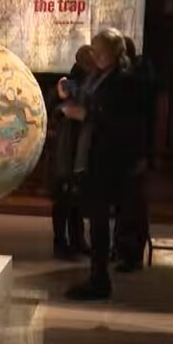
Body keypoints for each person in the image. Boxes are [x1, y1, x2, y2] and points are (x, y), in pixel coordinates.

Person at [58, 28, 140, 301]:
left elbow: (121, 120)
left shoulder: (123, 79)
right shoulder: (98, 75)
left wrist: (85, 114)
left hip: (108, 158)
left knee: (100, 220)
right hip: (92, 155)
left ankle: (99, 279)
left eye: (101, 50)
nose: (96, 55)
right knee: (96, 219)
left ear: (114, 52)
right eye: (94, 50)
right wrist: (69, 92)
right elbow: (88, 97)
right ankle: (96, 274)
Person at [48, 45, 95, 260]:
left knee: (76, 197)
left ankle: (77, 240)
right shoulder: (68, 84)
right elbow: (54, 110)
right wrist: (63, 108)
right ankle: (61, 241)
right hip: (65, 149)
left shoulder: (90, 83)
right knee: (63, 197)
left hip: (79, 147)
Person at [114, 36, 152, 273]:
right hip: (124, 152)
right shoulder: (126, 80)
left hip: (132, 151)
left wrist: (142, 155)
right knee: (124, 204)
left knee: (132, 205)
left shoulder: (134, 81)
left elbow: (138, 121)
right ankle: (123, 250)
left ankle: (132, 253)